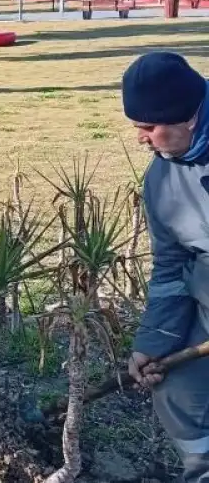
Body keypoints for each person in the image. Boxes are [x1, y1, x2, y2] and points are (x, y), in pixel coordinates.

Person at [122, 51, 209, 483]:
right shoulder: (161, 183)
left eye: (148, 127)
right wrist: (153, 342)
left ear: (189, 119)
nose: (141, 138)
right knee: (177, 391)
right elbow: (171, 266)